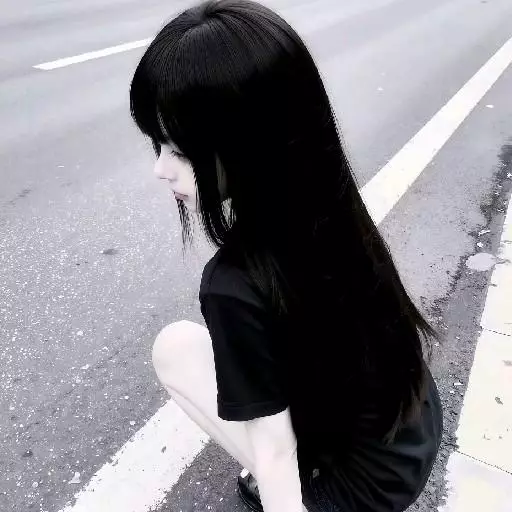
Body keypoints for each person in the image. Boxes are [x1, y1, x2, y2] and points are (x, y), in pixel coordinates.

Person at [129, 1, 443, 511]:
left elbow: (274, 456)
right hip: (414, 431)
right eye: (157, 145)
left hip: (359, 493)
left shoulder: (233, 284)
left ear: (249, 142)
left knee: (174, 349)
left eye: (180, 150)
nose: (160, 169)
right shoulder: (327, 204)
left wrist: (284, 486)